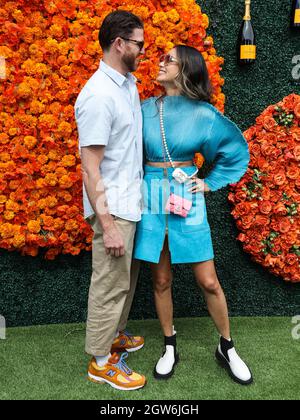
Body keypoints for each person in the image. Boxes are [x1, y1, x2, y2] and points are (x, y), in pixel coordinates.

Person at [134, 45, 253, 386]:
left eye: (168, 59)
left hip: (186, 195)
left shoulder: (205, 114)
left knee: (208, 281)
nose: (160, 61)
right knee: (160, 279)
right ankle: (169, 344)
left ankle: (227, 346)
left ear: (186, 69)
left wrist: (209, 182)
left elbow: (233, 151)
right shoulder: (142, 109)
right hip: (151, 198)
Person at [75, 10, 147, 391]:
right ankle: (100, 362)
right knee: (108, 284)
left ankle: (113, 337)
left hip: (128, 203)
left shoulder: (126, 84)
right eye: (139, 43)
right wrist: (108, 225)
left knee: (125, 281)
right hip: (113, 209)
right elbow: (90, 168)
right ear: (119, 44)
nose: (143, 50)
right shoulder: (99, 95)